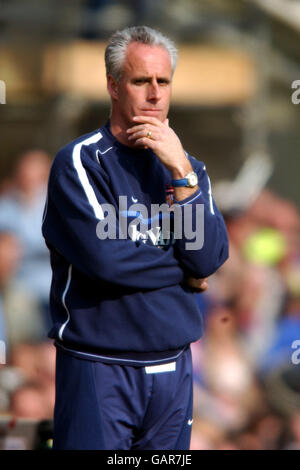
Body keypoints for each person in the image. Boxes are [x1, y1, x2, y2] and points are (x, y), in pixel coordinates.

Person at [42, 25, 229, 450]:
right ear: (112, 85)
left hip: (173, 368)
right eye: (141, 81)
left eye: (163, 82)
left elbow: (209, 258)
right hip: (99, 365)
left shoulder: (188, 168)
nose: (155, 94)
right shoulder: (81, 162)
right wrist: (184, 267)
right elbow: (108, 261)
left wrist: (180, 174)